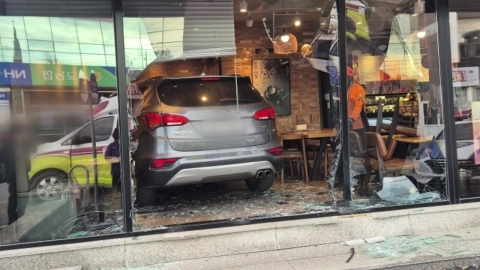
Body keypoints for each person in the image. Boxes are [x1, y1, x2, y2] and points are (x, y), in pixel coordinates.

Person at [347, 66, 367, 149]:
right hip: (347, 124)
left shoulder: (358, 89)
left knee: (360, 148)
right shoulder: (344, 90)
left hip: (357, 124)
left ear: (350, 78)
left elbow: (359, 105)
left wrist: (352, 119)